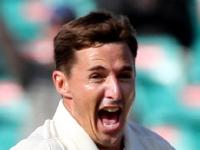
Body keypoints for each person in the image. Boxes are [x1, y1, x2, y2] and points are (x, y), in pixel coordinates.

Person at [11, 11, 175, 150]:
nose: (115, 91)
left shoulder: (157, 146)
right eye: (97, 76)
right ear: (62, 84)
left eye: (124, 75)